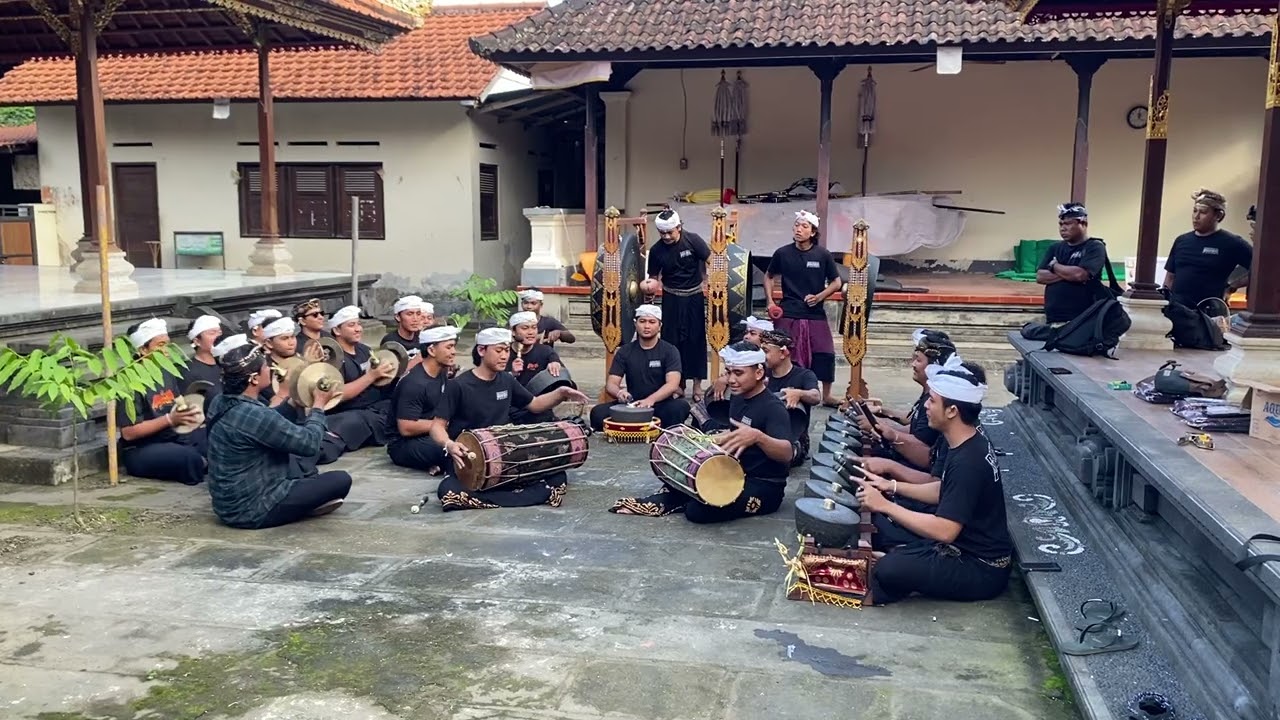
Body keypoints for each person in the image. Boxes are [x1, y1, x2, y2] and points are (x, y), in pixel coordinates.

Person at [853, 359, 1012, 605]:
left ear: (952, 411)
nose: (926, 405)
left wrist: (885, 505)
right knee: (889, 549)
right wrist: (890, 487)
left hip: (981, 568)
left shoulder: (969, 460)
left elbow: (945, 531)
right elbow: (943, 490)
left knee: (890, 569)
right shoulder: (965, 444)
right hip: (964, 550)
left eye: (932, 400)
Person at [610, 341, 793, 522]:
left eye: (738, 373)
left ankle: (681, 500)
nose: (731, 380)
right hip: (733, 472)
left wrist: (758, 437)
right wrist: (706, 440)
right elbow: (735, 436)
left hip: (765, 486)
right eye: (729, 372)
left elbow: (786, 453)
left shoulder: (773, 408)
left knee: (698, 510)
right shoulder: (738, 398)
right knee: (678, 479)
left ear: (759, 373)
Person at [428, 327, 590, 511]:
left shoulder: (506, 379)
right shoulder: (457, 385)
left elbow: (535, 404)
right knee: (449, 490)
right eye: (498, 350)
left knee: (557, 474)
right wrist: (449, 445)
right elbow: (437, 427)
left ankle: (487, 497)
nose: (505, 356)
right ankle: (529, 495)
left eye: (506, 350)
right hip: (469, 456)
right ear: (481, 351)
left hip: (505, 451)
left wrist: (560, 393)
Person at [205, 343, 351, 529]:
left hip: (227, 505)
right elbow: (310, 444)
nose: (269, 370)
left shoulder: (219, 401)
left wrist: (299, 388)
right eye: (265, 367)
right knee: (340, 480)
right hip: (254, 509)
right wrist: (319, 405)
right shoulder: (255, 415)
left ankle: (303, 500)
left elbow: (273, 423)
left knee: (298, 466)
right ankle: (302, 507)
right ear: (254, 379)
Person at [850, 329, 957, 472]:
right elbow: (913, 424)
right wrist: (882, 415)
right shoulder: (929, 397)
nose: (913, 364)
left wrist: (882, 429)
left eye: (918, 360)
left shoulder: (938, 401)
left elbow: (925, 455)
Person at [765, 210, 843, 406]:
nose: (799, 229)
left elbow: (836, 282)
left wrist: (819, 296)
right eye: (797, 225)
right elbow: (768, 276)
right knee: (782, 351)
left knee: (825, 352)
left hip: (814, 312)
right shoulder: (782, 253)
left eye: (804, 226)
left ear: (813, 232)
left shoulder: (822, 255)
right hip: (789, 311)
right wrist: (770, 301)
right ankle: (778, 389)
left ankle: (826, 395)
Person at [117, 319, 207, 485]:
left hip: (173, 435)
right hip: (141, 448)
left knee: (216, 441)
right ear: (143, 349)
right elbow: (129, 433)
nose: (167, 351)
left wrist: (190, 413)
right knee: (189, 459)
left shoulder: (165, 370)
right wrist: (169, 419)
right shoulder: (128, 380)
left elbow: (177, 400)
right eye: (160, 346)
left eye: (168, 345)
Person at [588, 304, 690, 431]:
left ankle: (659, 433)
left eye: (652, 322)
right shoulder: (625, 351)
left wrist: (650, 400)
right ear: (636, 324)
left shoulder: (670, 351)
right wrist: (620, 393)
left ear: (659, 326)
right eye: (642, 321)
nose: (647, 326)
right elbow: (611, 384)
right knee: (598, 413)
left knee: (680, 407)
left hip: (660, 404)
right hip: (632, 404)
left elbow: (672, 384)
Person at [645, 209, 710, 401]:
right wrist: (648, 287)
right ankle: (676, 385)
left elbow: (711, 260)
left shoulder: (693, 240)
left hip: (694, 298)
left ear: (679, 227)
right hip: (671, 299)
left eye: (669, 232)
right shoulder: (657, 250)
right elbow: (653, 277)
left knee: (696, 340)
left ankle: (697, 386)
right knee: (672, 342)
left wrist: (714, 281)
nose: (666, 236)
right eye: (662, 233)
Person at [322, 305, 398, 453]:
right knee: (353, 422)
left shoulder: (364, 349)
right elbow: (338, 393)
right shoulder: (332, 358)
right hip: (349, 411)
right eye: (351, 325)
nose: (358, 329)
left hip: (375, 406)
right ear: (337, 330)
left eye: (358, 324)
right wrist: (371, 376)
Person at [1163, 189, 1253, 309]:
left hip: (1209, 313)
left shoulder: (1233, 243)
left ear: (1218, 215)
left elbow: (1261, 271)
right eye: (1195, 211)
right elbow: (1170, 276)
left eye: (1203, 212)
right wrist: (1164, 304)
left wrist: (1232, 286)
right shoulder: (1181, 241)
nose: (1196, 217)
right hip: (1179, 311)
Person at [386, 325, 458, 473]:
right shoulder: (414, 383)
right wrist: (442, 423)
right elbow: (406, 427)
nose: (453, 352)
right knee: (455, 448)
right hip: (404, 444)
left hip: (431, 433)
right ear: (431, 350)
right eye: (449, 347)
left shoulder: (441, 372)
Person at [1036, 203, 1111, 324]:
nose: (1063, 228)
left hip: (1083, 318)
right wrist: (1068, 273)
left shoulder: (1095, 247)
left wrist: (1054, 266)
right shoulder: (1055, 247)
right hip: (1053, 317)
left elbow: (1080, 275)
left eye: (1068, 224)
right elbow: (1040, 276)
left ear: (1083, 224)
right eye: (1061, 224)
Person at [760, 329, 820, 467]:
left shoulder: (804, 375)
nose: (762, 356)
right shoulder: (761, 374)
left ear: (783, 353)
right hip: (766, 435)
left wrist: (799, 393)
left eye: (766, 351)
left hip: (795, 440)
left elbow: (816, 396)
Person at [506, 310, 566, 424]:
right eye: (525, 328)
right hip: (509, 409)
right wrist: (511, 374)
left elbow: (563, 379)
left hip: (538, 409)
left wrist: (555, 364)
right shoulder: (503, 353)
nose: (531, 332)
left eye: (533, 328)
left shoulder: (546, 352)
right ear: (513, 331)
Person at [180, 315, 226, 400]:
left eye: (219, 332)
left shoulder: (226, 363)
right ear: (197, 341)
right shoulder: (188, 371)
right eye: (212, 333)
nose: (218, 337)